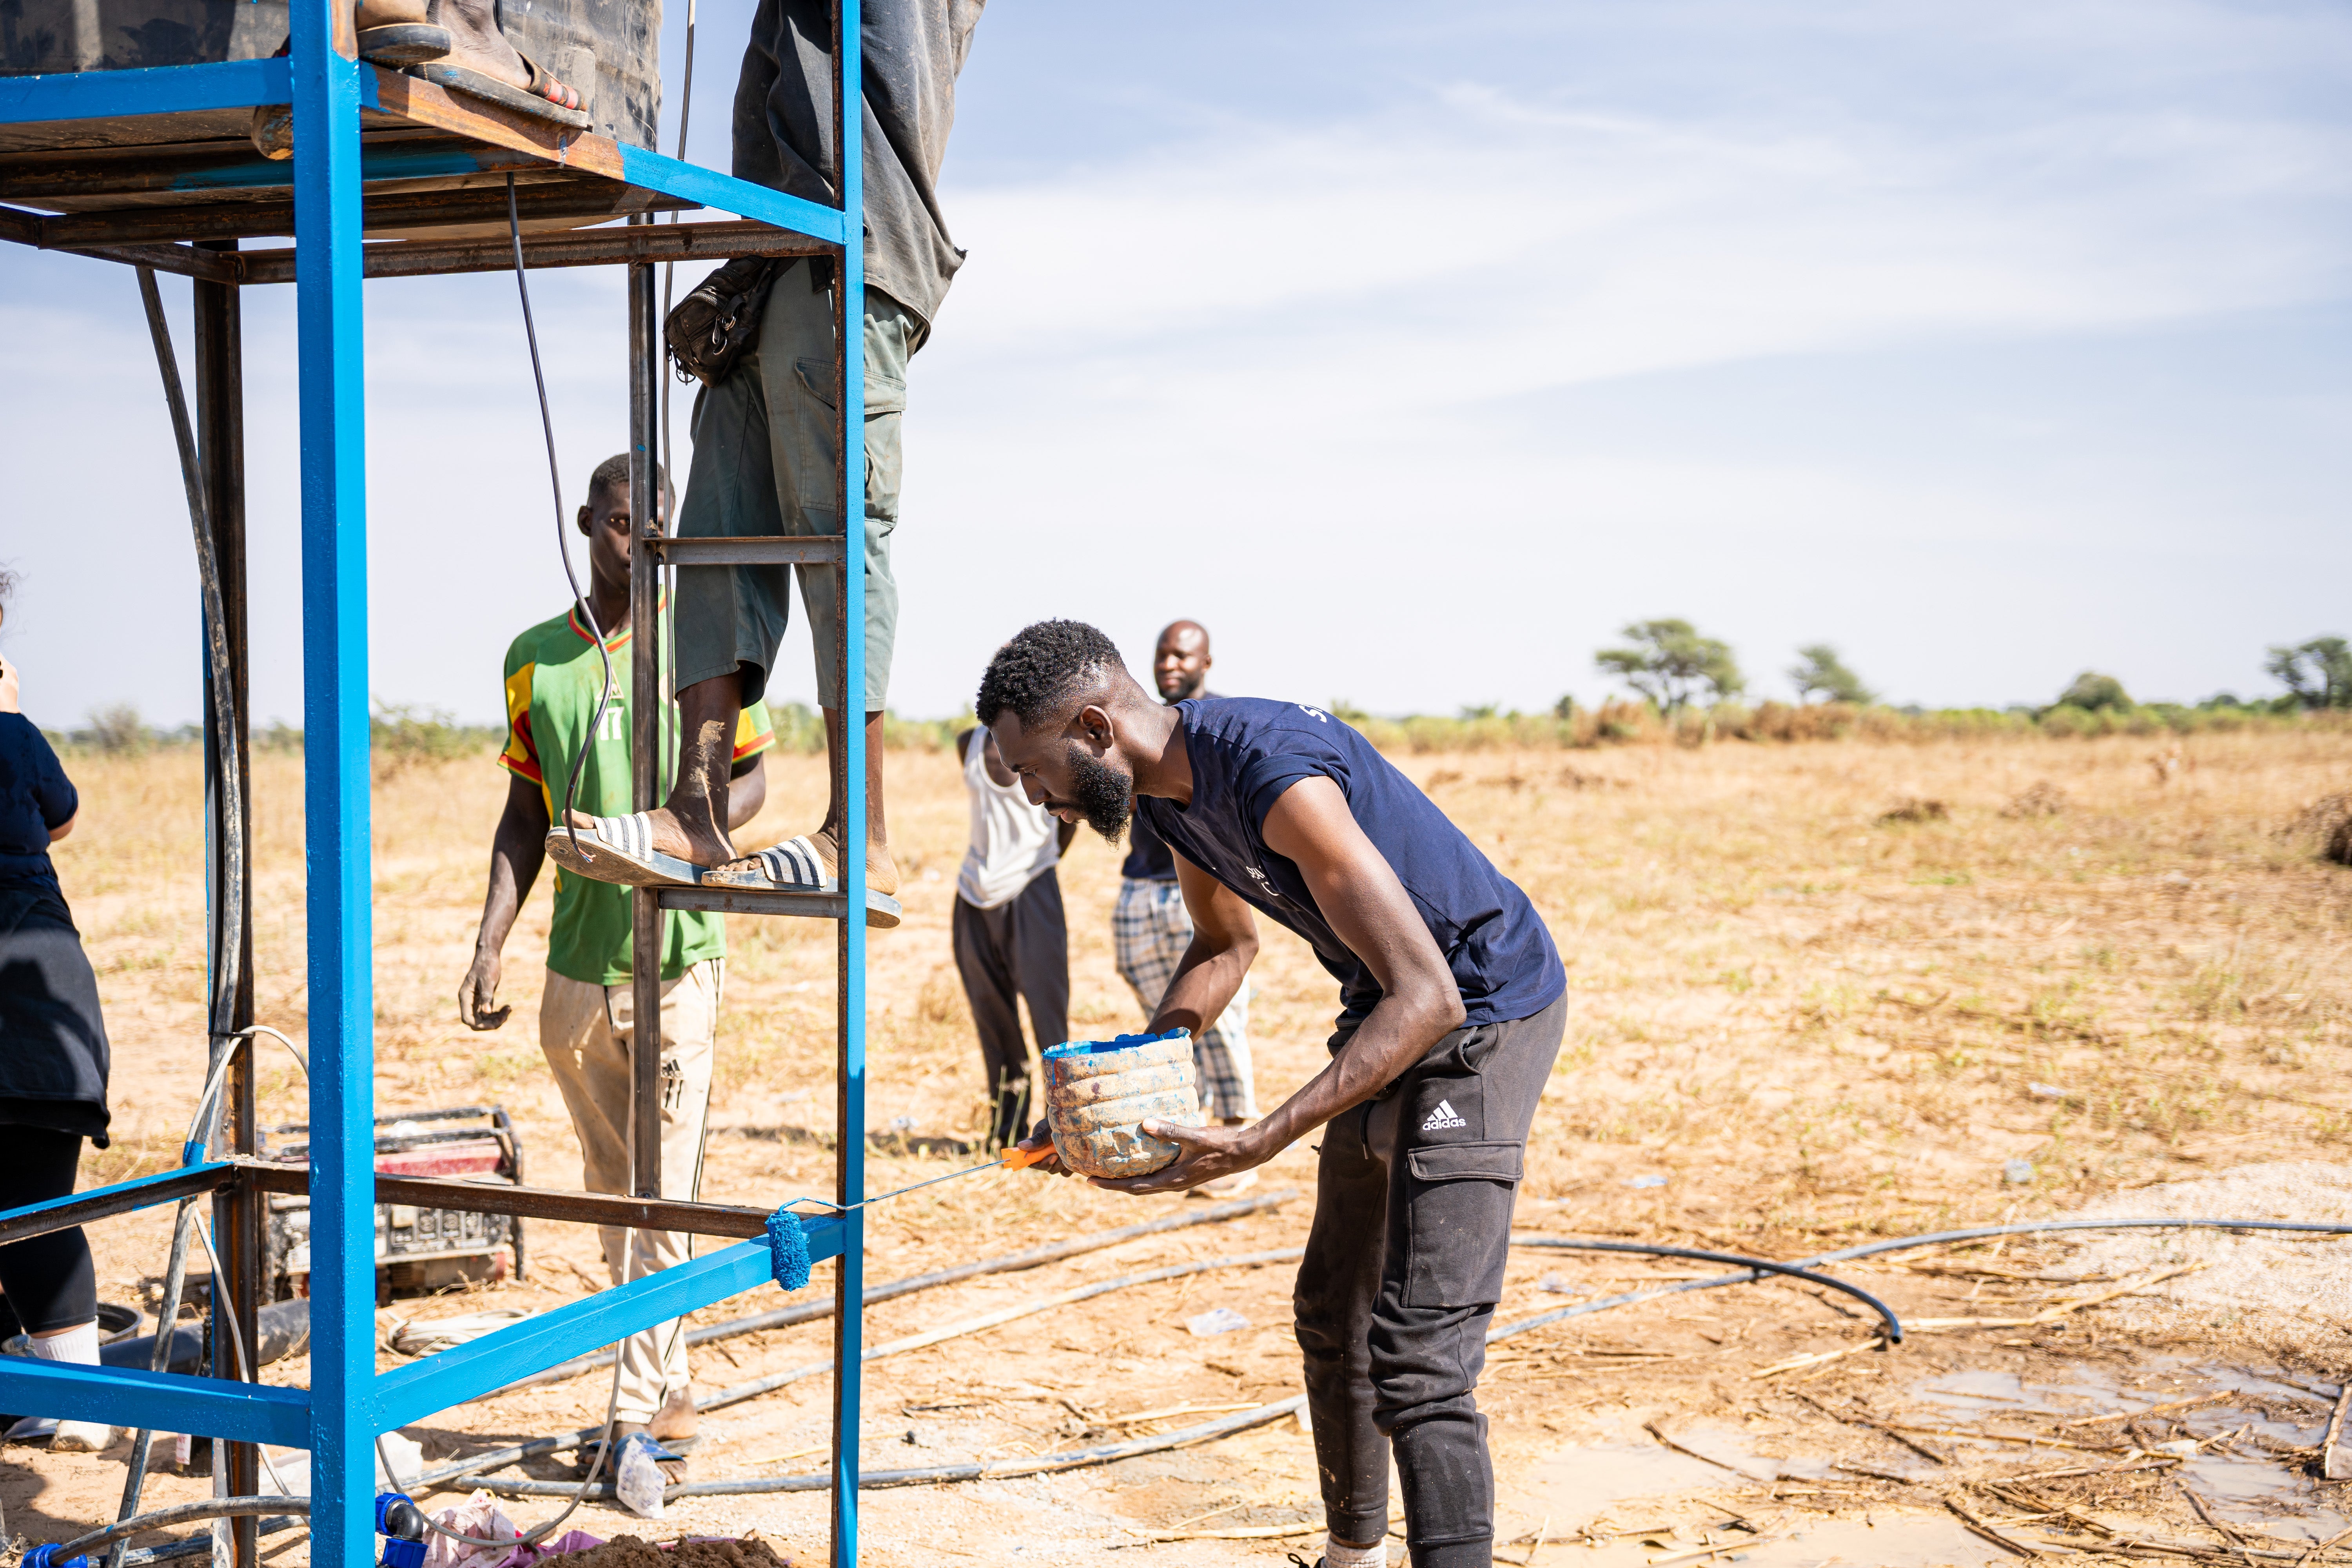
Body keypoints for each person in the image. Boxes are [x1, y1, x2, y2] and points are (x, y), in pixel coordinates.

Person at [979, 621, 1566, 1568]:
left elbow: (1433, 995)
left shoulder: (1271, 773)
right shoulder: (1171, 802)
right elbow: (1225, 948)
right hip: (1391, 1003)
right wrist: (1132, 1074)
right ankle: (1353, 1554)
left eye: (1031, 768)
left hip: (1485, 1012)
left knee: (1419, 1353)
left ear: (1092, 726)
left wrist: (1265, 1134)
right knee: (1333, 1312)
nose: (1032, 794)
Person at [545, 0, 988, 916]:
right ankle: (696, 810)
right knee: (712, 539)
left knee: (838, 538)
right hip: (769, 257)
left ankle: (859, 836)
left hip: (846, 253)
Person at [456, 457, 775, 1477]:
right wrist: (490, 940)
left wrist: (678, 831)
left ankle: (632, 1413)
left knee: (664, 1187)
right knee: (609, 1185)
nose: (637, 543)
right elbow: (524, 811)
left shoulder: (702, 644)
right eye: (622, 525)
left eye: (656, 527)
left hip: (675, 955)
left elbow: (755, 778)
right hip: (577, 965)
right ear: (588, 521)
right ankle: (670, 1376)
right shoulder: (533, 660)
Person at [0, 578, 117, 1454]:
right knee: (33, 1200)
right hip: (48, 1000)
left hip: (27, 1011)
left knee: (31, 1204)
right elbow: (62, 817)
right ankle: (55, 1390)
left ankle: (74, 1396)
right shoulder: (14, 737)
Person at [1112, 621, 1259, 1190]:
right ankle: (1185, 1130)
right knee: (1166, 1015)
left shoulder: (1220, 727)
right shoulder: (1141, 727)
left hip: (1196, 891)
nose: (1170, 664)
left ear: (1207, 663)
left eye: (1182, 655)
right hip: (1139, 886)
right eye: (1162, 654)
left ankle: (1235, 1132)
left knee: (1219, 1017)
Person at [950, 722, 1074, 1150]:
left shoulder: (1050, 744)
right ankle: (1005, 1133)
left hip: (1032, 887)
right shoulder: (970, 744)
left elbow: (1067, 820)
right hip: (973, 893)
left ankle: (1063, 1131)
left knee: (1049, 1021)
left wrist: (1041, 858)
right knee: (993, 1019)